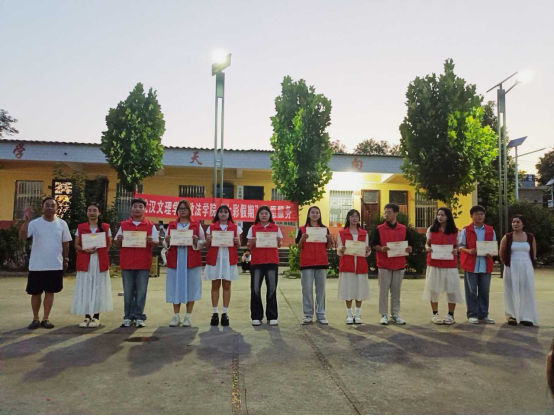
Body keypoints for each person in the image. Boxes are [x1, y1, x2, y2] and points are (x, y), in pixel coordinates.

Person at [19, 197, 72, 330]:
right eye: (47, 205)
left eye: (52, 205)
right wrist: (25, 222)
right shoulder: (35, 223)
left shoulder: (62, 224)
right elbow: (22, 237)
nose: (49, 207)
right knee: (35, 293)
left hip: (55, 265)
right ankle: (35, 318)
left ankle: (45, 318)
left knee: (50, 292)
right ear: (42, 208)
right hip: (37, 265)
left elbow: (66, 243)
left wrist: (65, 259)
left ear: (57, 208)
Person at [114, 198, 158, 328]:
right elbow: (117, 243)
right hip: (127, 263)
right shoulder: (123, 225)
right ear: (131, 209)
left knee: (141, 292)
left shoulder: (150, 225)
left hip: (143, 264)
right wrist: (119, 239)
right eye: (135, 206)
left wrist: (151, 241)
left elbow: (156, 243)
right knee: (128, 292)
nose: (137, 209)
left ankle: (139, 316)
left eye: (140, 207)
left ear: (144, 209)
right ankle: (127, 316)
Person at [72, 203, 114, 328]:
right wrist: (85, 250)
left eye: (94, 210)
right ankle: (86, 316)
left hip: (99, 261)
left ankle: (96, 316)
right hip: (85, 261)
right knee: (85, 287)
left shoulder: (105, 227)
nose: (92, 213)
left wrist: (99, 251)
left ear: (99, 213)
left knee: (98, 287)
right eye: (89, 210)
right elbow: (76, 244)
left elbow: (108, 244)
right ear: (86, 213)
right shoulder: (81, 227)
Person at [165, 200, 204, 328]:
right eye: (180, 208)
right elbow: (165, 244)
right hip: (175, 260)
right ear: (177, 211)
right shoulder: (172, 225)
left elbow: (203, 242)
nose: (182, 210)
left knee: (191, 287)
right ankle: (176, 315)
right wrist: (167, 240)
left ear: (189, 210)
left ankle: (188, 316)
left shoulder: (196, 225)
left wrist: (196, 241)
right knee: (175, 286)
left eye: (185, 208)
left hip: (191, 260)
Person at [373, 204, 413, 326]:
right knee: (383, 291)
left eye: (389, 212)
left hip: (399, 264)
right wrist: (381, 249)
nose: (386, 215)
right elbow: (374, 244)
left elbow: (409, 245)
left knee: (396, 292)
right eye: (385, 212)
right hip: (384, 264)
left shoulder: (403, 229)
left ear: (396, 213)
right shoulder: (379, 229)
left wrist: (409, 249)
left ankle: (395, 314)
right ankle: (383, 315)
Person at [424, 207, 463, 326]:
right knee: (433, 289)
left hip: (449, 264)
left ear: (448, 217)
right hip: (434, 263)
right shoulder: (431, 229)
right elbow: (427, 244)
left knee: (452, 289)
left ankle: (450, 315)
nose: (440, 217)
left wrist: (456, 250)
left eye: (443, 215)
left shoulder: (455, 231)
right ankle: (435, 314)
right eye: (438, 215)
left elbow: (457, 246)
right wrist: (427, 248)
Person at [204, 205, 242, 327]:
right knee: (215, 285)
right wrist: (208, 240)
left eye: (226, 212)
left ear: (229, 214)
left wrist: (237, 242)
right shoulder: (211, 227)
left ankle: (225, 313)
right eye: (221, 212)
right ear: (218, 214)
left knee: (227, 285)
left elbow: (238, 245)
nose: (223, 214)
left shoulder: (235, 228)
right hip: (215, 258)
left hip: (228, 259)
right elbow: (207, 245)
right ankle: (214, 312)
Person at [459, 205, 497, 325]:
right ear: (471, 216)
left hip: (485, 264)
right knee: (471, 291)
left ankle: (483, 314)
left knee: (484, 291)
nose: (479, 216)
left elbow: (493, 246)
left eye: (481, 214)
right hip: (471, 264)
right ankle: (472, 314)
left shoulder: (490, 230)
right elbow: (460, 246)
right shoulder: (466, 230)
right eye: (476, 214)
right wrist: (468, 251)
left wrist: (491, 253)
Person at [297, 206, 334, 325]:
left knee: (321, 290)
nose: (315, 214)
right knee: (307, 290)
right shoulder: (302, 229)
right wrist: (302, 239)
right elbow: (299, 246)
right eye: (312, 212)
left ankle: (321, 314)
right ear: (308, 215)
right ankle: (308, 315)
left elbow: (328, 247)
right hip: (306, 263)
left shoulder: (324, 229)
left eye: (317, 212)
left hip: (321, 262)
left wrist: (329, 239)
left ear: (319, 215)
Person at [500, 215, 539, 327]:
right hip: (511, 265)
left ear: (523, 224)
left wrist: (530, 265)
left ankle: (526, 316)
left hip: (526, 266)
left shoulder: (530, 237)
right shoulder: (507, 237)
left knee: (526, 289)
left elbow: (533, 253)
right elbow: (501, 252)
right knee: (511, 289)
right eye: (513, 222)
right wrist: (506, 264)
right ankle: (512, 315)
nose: (515, 224)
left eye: (518, 222)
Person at [247, 206, 283, 327]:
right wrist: (252, 242)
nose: (263, 215)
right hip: (257, 262)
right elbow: (248, 246)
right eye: (261, 213)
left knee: (272, 289)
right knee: (255, 289)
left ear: (269, 215)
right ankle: (256, 316)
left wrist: (278, 241)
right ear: (258, 215)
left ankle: (272, 316)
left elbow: (280, 245)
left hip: (272, 262)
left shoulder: (276, 228)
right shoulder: (253, 228)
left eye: (266, 213)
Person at [337, 209, 371, 325]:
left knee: (359, 289)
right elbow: (339, 250)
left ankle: (357, 314)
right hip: (347, 264)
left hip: (360, 264)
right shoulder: (342, 233)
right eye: (352, 216)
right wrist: (341, 250)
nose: (355, 218)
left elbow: (366, 252)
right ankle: (349, 314)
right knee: (348, 289)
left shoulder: (364, 233)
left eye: (357, 216)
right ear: (348, 218)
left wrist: (367, 250)